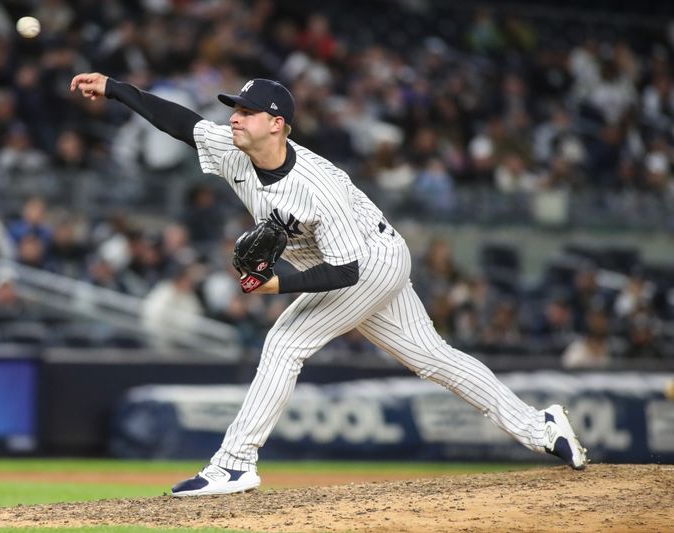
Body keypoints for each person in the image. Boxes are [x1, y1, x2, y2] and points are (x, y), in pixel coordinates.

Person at [70, 72, 588, 497]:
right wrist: (116, 88)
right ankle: (541, 427)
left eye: (245, 112)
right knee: (434, 358)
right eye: (234, 108)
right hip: (348, 262)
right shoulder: (234, 152)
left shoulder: (320, 186)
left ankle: (234, 463)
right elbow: (181, 124)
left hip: (372, 260)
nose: (233, 116)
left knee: (285, 342)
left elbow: (347, 272)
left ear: (277, 125)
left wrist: (278, 286)